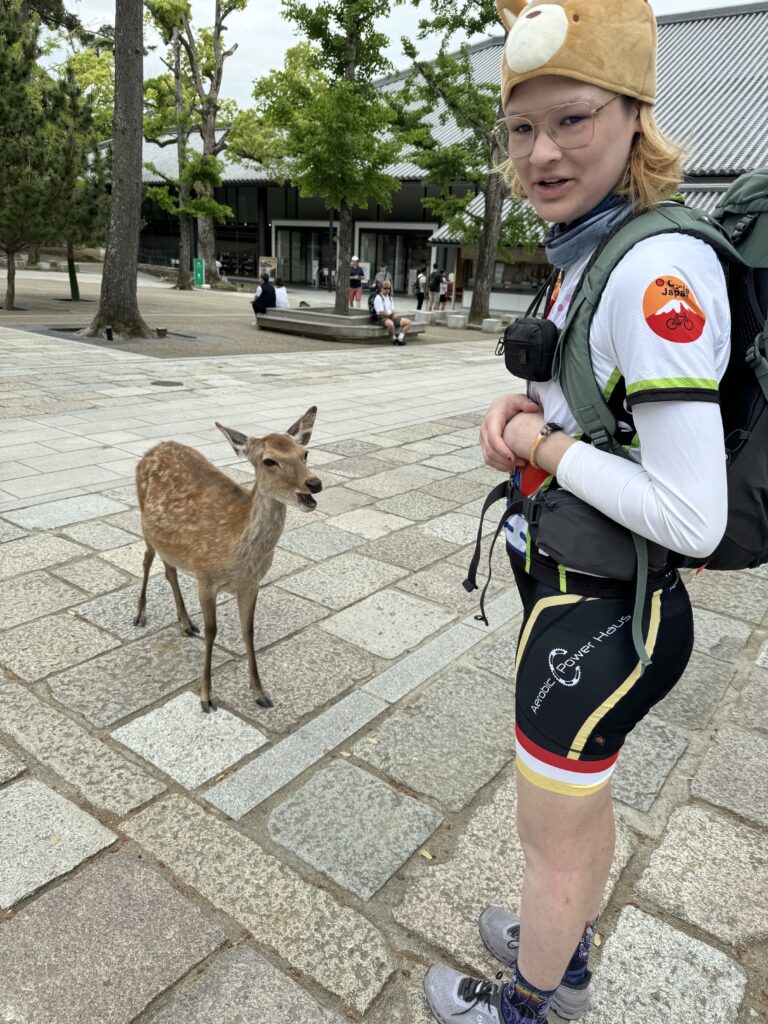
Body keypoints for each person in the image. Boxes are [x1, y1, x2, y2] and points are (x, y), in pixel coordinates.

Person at [423, 2, 730, 1023]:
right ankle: (567, 942)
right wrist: (526, 413)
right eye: (520, 127)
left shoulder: (654, 271)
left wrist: (540, 447)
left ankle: (529, 999)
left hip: (609, 611)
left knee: (548, 838)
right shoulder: (597, 244)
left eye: (573, 119)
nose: (540, 152)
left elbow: (691, 512)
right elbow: (598, 411)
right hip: (580, 595)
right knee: (575, 811)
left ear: (636, 113)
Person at [373, 280, 411, 345]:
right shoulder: (378, 298)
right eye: (385, 288)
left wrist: (394, 314)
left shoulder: (390, 298)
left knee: (408, 322)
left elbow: (393, 309)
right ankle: (394, 338)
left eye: (389, 288)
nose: (387, 290)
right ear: (381, 288)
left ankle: (400, 338)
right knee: (390, 324)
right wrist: (389, 315)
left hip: (390, 315)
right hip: (382, 317)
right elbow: (380, 312)